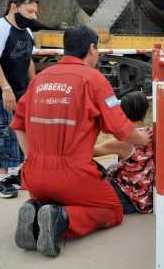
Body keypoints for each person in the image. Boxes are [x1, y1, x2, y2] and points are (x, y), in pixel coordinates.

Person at [10, 26, 151, 257]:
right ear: (92, 49)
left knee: (50, 197)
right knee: (111, 209)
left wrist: (31, 158)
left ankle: (35, 210)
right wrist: (142, 139)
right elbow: (121, 129)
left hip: (34, 176)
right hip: (73, 176)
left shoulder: (40, 79)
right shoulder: (93, 79)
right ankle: (61, 218)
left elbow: (18, 124)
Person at [0, 0, 39, 199]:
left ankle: (16, 172)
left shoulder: (27, 31)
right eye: (29, 11)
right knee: (1, 130)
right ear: (14, 6)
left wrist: (33, 88)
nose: (33, 17)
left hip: (20, 89)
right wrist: (6, 88)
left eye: (34, 13)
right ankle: (1, 179)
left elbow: (28, 60)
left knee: (20, 129)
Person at [93, 91, 154, 214]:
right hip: (147, 197)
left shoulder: (124, 141)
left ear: (122, 113)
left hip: (129, 200)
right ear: (146, 112)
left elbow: (89, 152)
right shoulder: (153, 132)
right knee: (113, 167)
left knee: (95, 169)